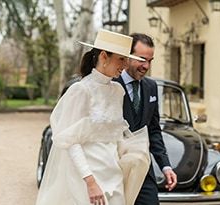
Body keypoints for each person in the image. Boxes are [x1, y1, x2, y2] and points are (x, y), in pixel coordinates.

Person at [35, 29, 149, 205]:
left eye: (127, 59)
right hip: (85, 179)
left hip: (114, 175)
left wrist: (134, 156)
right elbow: (70, 141)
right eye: (121, 59)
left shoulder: (118, 91)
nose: (126, 65)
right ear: (104, 56)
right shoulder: (80, 91)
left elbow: (114, 136)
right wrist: (90, 182)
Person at [115, 33, 178, 205]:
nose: (146, 66)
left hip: (143, 168)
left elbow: (154, 130)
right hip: (113, 166)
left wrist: (165, 166)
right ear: (126, 56)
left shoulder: (151, 87)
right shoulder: (110, 83)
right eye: (141, 59)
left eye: (150, 61)